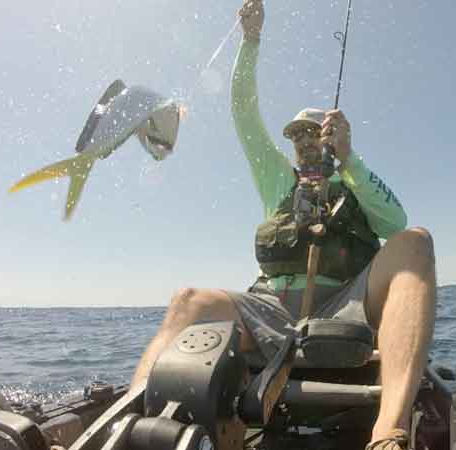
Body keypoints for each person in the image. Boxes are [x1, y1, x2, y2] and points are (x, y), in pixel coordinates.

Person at [130, 2, 437, 450]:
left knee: (416, 242)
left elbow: (396, 223)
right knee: (189, 300)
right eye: (296, 135)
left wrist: (349, 159)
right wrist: (250, 41)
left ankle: (387, 431)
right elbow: (243, 112)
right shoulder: (276, 177)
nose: (303, 142)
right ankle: (125, 422)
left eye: (313, 133)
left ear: (331, 138)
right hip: (269, 308)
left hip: (345, 304)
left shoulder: (354, 179)